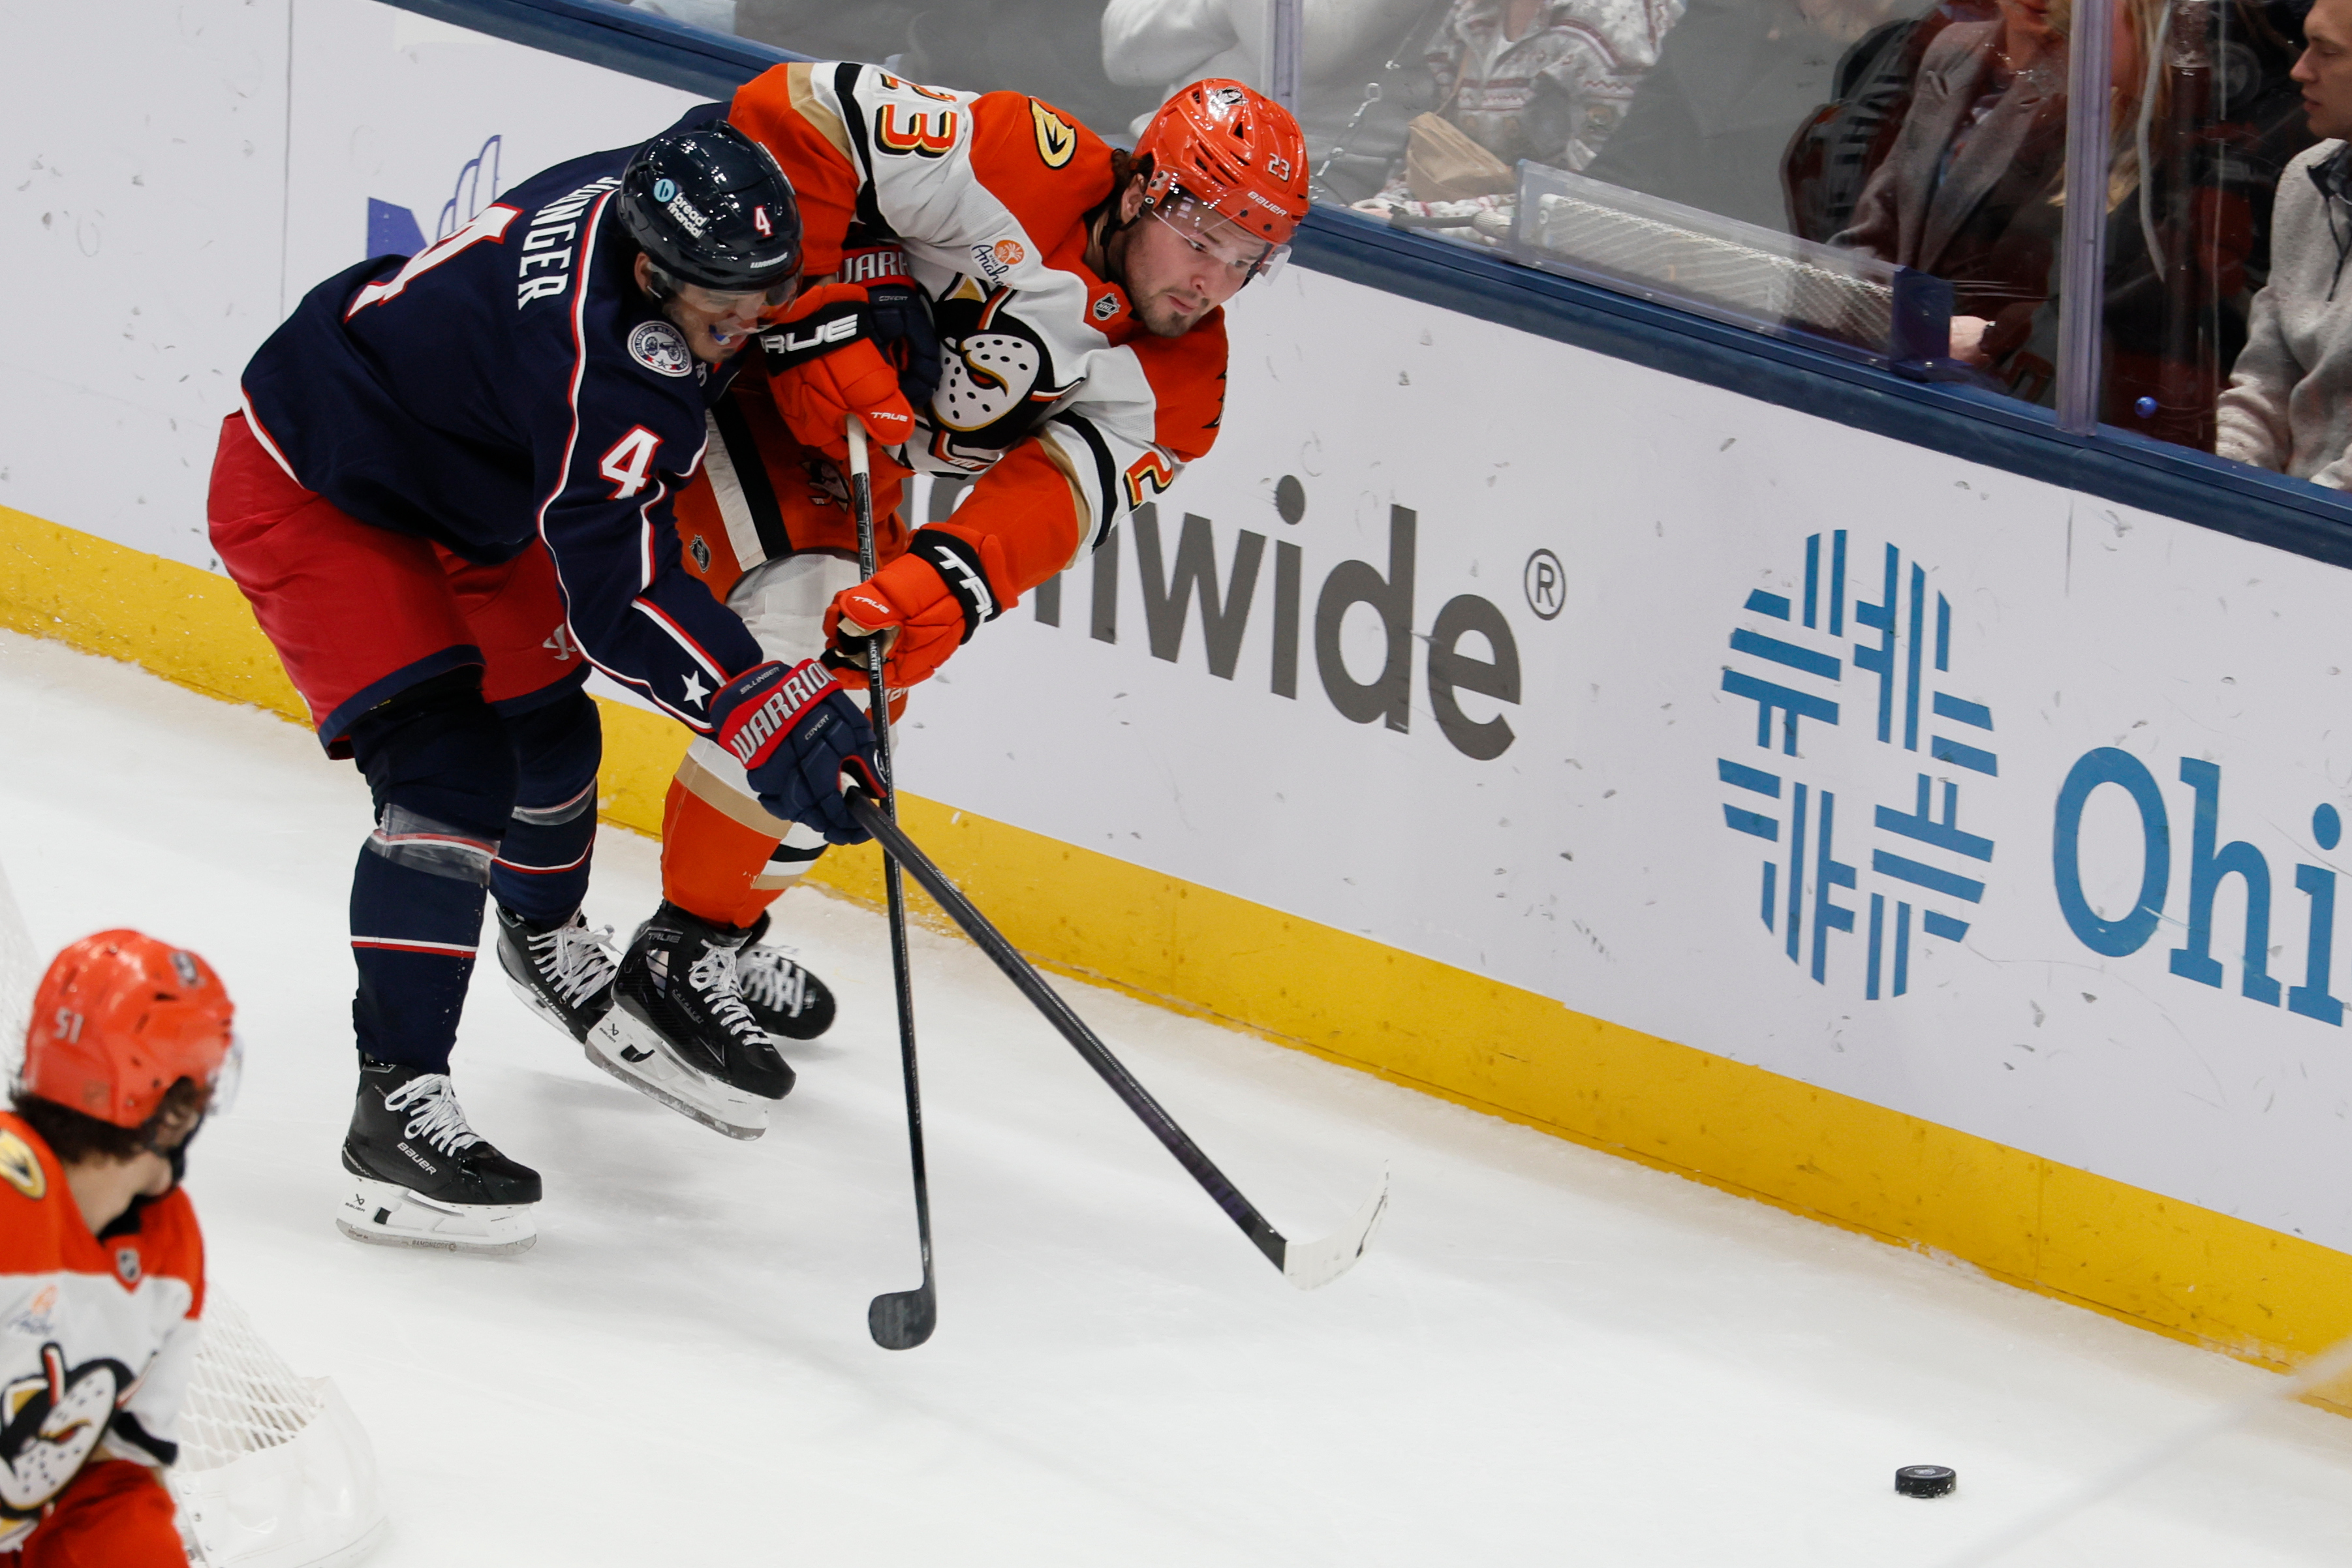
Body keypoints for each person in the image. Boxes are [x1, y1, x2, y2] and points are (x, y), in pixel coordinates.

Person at [209, 113, 888, 1253]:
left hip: (456, 476)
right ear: (651, 272)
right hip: (319, 481)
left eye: (753, 311)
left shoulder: (668, 197)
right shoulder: (613, 362)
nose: (734, 339)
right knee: (451, 773)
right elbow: (617, 600)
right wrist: (757, 699)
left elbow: (772, 131)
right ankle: (395, 1115)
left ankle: (540, 932)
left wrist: (872, 285)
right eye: (715, 318)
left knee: (552, 742)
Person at [628, 70, 1308, 1001]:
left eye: (1245, 260)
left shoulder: (1185, 388)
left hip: (848, 454)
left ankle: (712, 929)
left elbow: (1051, 501)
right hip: (721, 363)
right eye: (1199, 240)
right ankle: (680, 952)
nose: (1210, 282)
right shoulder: (1022, 158)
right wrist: (805, 310)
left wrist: (938, 589)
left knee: (855, 694)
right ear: (1144, 188)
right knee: (799, 642)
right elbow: (800, 110)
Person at [0, 931, 239, 1567]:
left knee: (131, 1533)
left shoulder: (168, 1246)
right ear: (170, 1114)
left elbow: (120, 1472)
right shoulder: (8, 1198)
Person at [2216, 0, 2352, 483]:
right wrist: (2231, 488)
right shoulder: (2304, 179)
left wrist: (2286, 531)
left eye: (2327, 52)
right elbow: (2262, 380)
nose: (2300, 70)